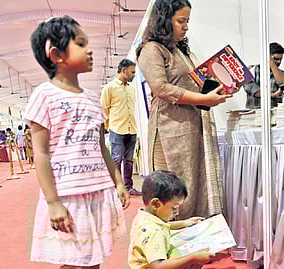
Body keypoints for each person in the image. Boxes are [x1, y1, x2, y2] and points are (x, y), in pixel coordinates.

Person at [26, 15, 130, 268]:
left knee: (93, 258)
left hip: (97, 190)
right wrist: (53, 202)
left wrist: (117, 182)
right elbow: (41, 153)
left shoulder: (94, 99)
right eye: (81, 44)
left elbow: (101, 146)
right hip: (68, 195)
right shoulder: (44, 96)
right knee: (74, 260)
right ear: (56, 54)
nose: (90, 49)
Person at [136, 0, 231, 219]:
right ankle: (169, 245)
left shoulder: (180, 51)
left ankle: (193, 235)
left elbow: (194, 84)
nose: (186, 26)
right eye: (181, 21)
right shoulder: (152, 49)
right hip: (170, 131)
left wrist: (216, 91)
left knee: (194, 184)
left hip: (191, 127)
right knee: (172, 190)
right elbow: (160, 88)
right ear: (163, 20)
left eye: (187, 21)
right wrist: (203, 99)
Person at [128, 170, 214, 269]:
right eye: (174, 207)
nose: (177, 212)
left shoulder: (145, 217)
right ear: (155, 204)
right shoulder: (154, 232)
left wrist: (184, 223)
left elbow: (162, 225)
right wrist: (193, 257)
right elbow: (158, 266)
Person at [100, 59, 141, 196]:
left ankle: (128, 187)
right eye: (132, 72)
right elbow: (104, 109)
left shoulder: (131, 88)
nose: (134, 75)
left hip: (132, 129)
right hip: (117, 130)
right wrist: (109, 126)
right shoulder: (109, 88)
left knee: (129, 160)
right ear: (124, 70)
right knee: (116, 159)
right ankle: (116, 188)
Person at [244, 42, 284, 109]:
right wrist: (273, 95)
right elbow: (254, 91)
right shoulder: (251, 70)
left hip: (274, 114)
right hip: (254, 114)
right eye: (276, 59)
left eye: (280, 59)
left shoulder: (283, 74)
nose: (279, 62)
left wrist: (272, 65)